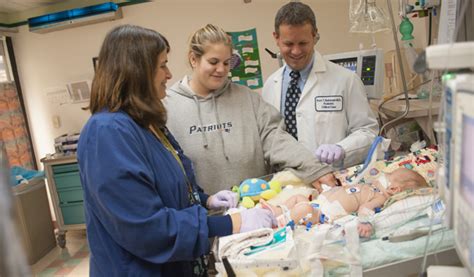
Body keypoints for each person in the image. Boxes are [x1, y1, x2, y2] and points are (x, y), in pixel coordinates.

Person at [77, 24, 276, 277]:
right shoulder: (107, 133)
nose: (169, 74)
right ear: (137, 71)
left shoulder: (147, 124)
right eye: (162, 65)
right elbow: (146, 228)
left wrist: (205, 200)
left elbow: (170, 184)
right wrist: (232, 223)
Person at [164, 24, 336, 196]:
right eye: (213, 62)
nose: (222, 70)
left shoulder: (247, 98)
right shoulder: (168, 107)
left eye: (226, 63)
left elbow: (276, 139)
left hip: (256, 209)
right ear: (194, 59)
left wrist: (314, 168)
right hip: (206, 217)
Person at [262, 2, 379, 168]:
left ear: (315, 36)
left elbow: (368, 132)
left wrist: (342, 148)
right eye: (288, 44)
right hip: (287, 181)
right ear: (276, 38)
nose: (296, 51)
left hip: (332, 177)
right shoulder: (270, 86)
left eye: (303, 43)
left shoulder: (346, 80)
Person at [260, 168, 429, 237]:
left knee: (304, 209)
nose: (385, 175)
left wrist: (365, 222)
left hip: (324, 213)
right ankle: (277, 210)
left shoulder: (381, 197)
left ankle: (278, 222)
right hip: (321, 200)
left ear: (394, 190)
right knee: (298, 198)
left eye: (390, 177)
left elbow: (365, 208)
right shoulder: (370, 185)